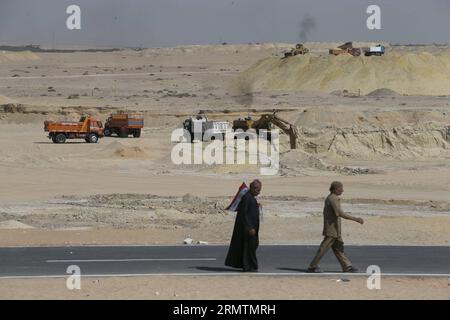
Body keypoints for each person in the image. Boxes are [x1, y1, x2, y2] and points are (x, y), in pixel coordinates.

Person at [307, 181, 364, 273]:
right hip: (332, 229)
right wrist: (355, 219)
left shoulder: (333, 198)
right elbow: (340, 213)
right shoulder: (333, 199)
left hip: (335, 229)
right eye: (340, 188)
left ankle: (347, 266)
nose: (342, 190)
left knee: (338, 248)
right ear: (335, 189)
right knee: (323, 248)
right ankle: (312, 266)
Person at [225, 179, 262, 272]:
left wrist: (256, 206)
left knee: (251, 247)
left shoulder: (251, 198)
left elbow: (250, 209)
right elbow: (243, 214)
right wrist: (249, 227)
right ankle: (250, 267)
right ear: (253, 188)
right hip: (249, 229)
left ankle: (248, 266)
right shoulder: (247, 197)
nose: (259, 192)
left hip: (252, 228)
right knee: (250, 247)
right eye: (258, 190)